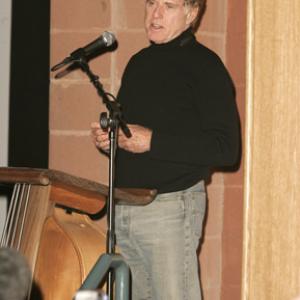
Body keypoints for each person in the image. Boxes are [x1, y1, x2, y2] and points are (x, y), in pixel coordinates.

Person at [91, 0, 240, 299]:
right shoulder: (138, 63)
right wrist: (112, 140)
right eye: (151, 3)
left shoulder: (206, 65)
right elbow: (133, 137)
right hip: (124, 209)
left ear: (192, 13)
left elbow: (227, 149)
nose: (155, 14)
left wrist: (153, 141)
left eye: (168, 5)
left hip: (171, 209)